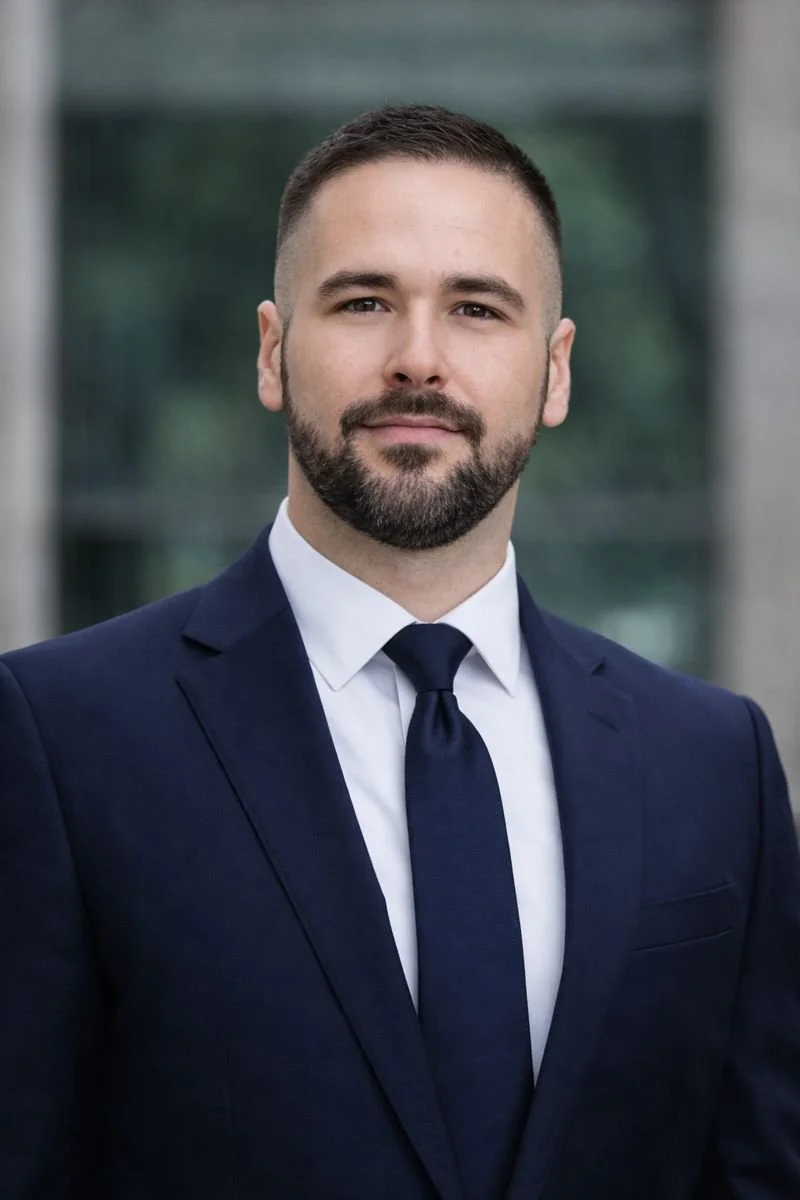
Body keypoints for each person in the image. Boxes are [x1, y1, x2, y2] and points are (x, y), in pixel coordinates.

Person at [1, 104, 798, 1200]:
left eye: (476, 308)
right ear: (273, 352)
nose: (417, 360)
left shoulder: (714, 764)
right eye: (364, 301)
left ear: (554, 371)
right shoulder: (58, 738)